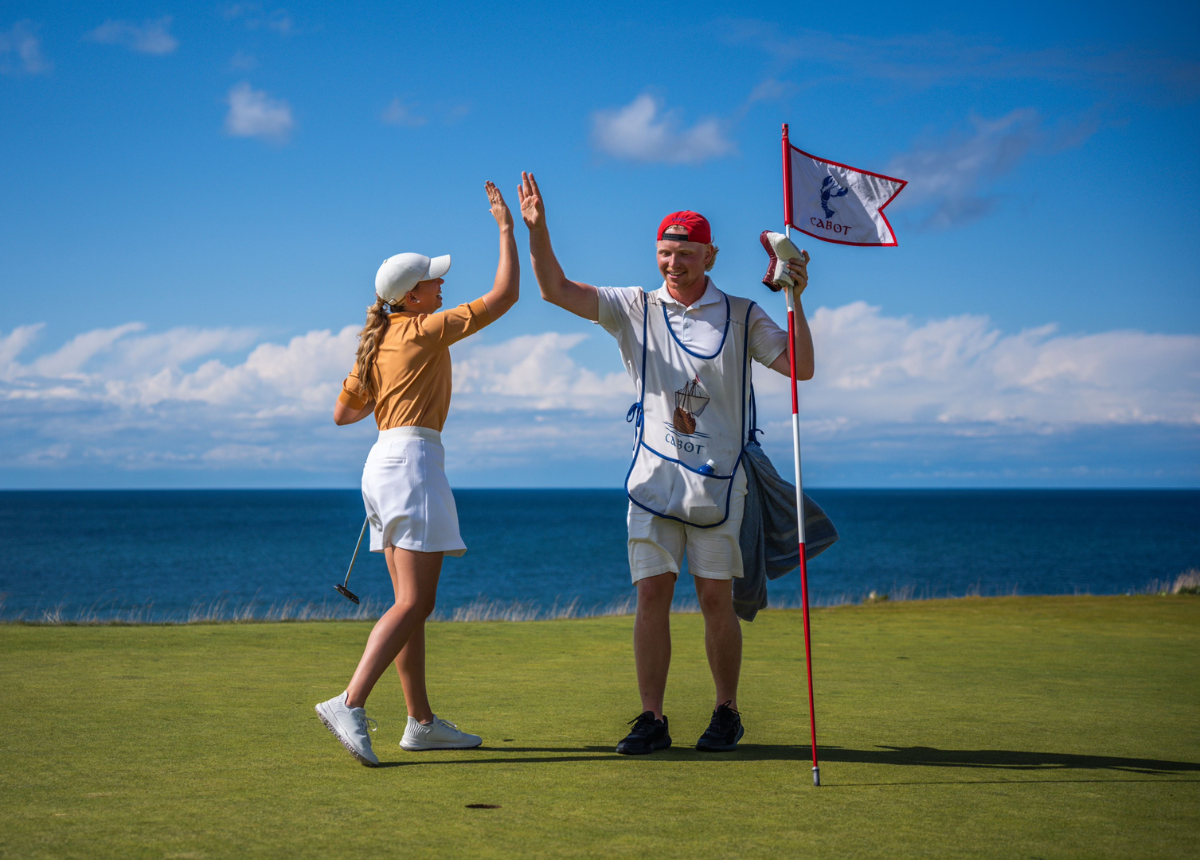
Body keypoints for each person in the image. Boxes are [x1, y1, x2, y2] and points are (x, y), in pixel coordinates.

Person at [517, 172, 813, 754]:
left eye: (683, 253)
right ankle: (652, 718)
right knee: (651, 595)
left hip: (719, 484)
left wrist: (795, 297)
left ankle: (726, 712)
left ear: (710, 255)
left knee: (714, 599)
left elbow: (799, 367)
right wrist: (538, 231)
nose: (672, 263)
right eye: (664, 252)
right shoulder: (635, 307)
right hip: (653, 481)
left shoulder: (743, 313)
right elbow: (554, 289)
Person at [315, 181, 518, 767]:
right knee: (415, 604)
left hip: (382, 461)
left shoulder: (380, 341)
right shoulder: (423, 328)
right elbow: (505, 295)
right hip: (413, 463)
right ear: (412, 296)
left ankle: (421, 723)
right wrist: (507, 229)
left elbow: (343, 414)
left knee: (409, 600)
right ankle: (350, 701)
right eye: (433, 279)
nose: (441, 282)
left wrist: (386, 388)